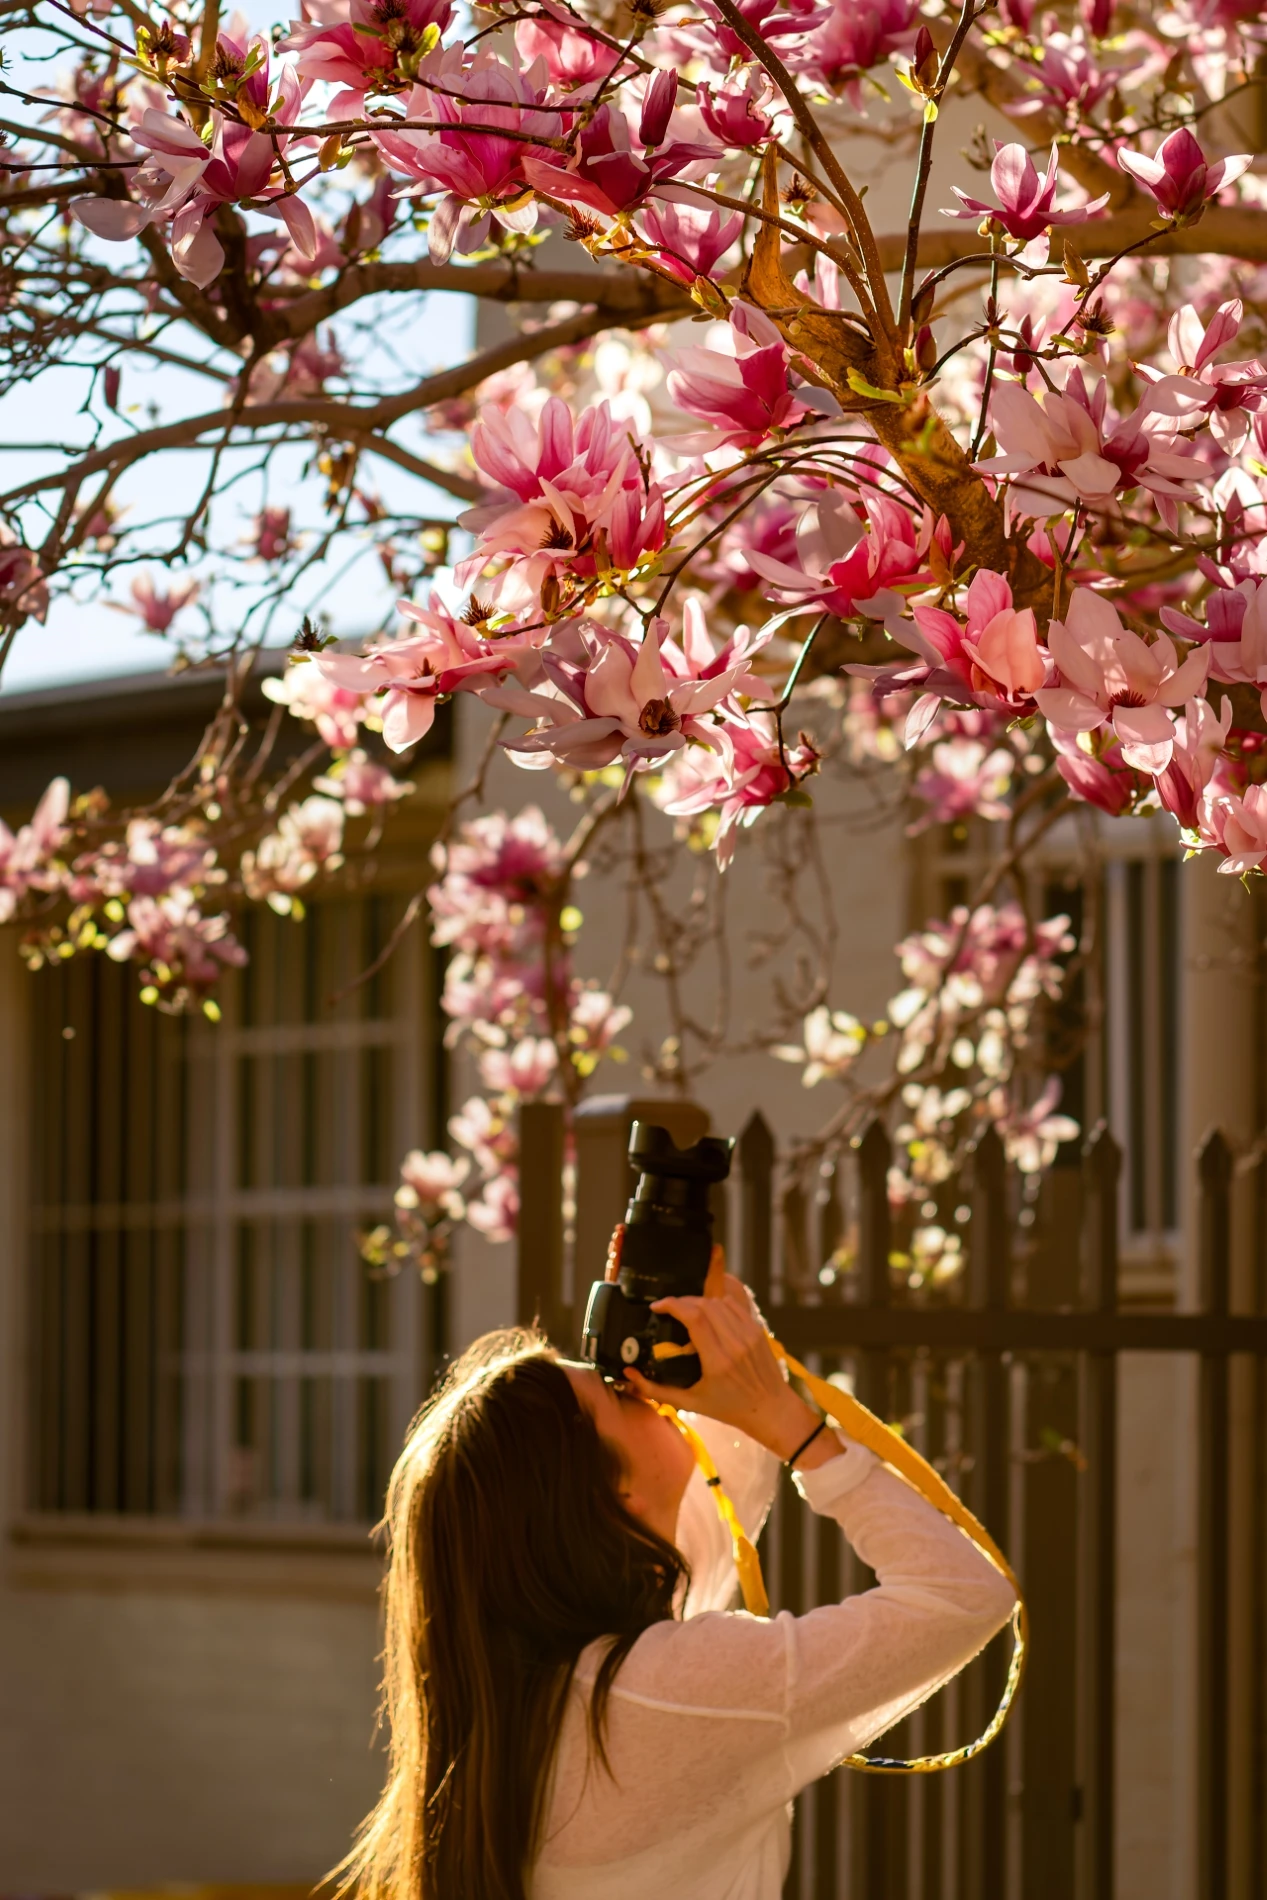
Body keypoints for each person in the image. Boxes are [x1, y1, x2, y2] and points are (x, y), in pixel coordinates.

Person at [334, 1248, 1016, 1900]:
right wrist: (795, 1428)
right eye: (617, 1395)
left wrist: (699, 1324)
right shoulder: (668, 1691)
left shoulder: (525, 1690)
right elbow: (960, 1594)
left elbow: (720, 1496)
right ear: (609, 1493)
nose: (642, 1394)